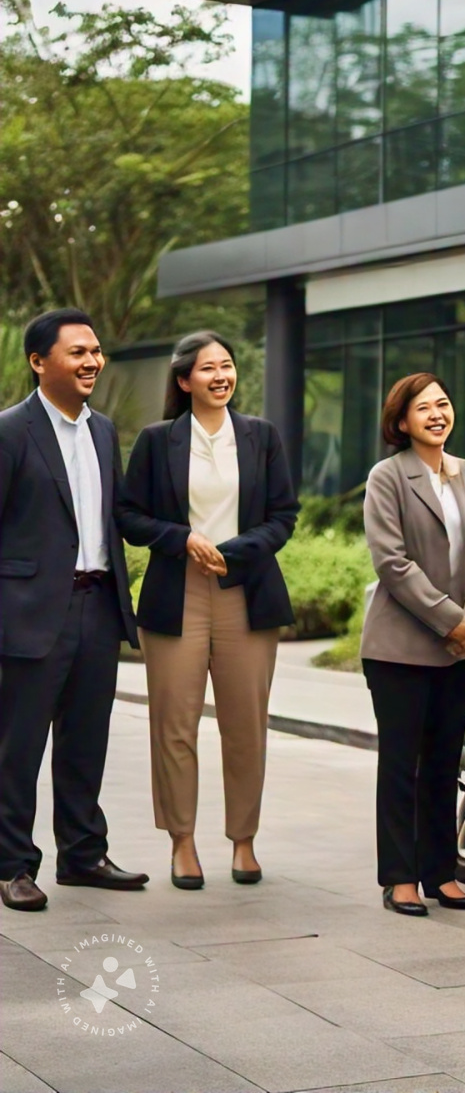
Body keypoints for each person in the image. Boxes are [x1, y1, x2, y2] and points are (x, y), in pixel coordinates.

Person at [119, 331, 298, 890]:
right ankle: (182, 841)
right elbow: (129, 515)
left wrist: (234, 550)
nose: (221, 376)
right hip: (177, 595)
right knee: (174, 726)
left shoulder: (261, 437)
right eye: (207, 369)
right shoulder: (157, 440)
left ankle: (243, 841)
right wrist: (182, 538)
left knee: (247, 725)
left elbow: (283, 515)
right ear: (183, 381)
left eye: (227, 366)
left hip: (246, 592)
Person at [0, 308, 148, 911]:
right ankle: (12, 864)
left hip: (98, 604)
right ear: (40, 362)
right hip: (31, 612)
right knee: (18, 745)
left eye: (96, 351)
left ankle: (83, 854)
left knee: (87, 740)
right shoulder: (10, 431)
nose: (92, 362)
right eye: (77, 352)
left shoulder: (104, 430)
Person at [361, 372, 465, 917]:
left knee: (446, 761)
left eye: (443, 404)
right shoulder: (387, 477)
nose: (438, 414)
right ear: (402, 421)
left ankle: (442, 873)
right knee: (402, 763)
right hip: (399, 646)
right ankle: (399, 879)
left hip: (461, 644)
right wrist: (449, 618)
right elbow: (392, 561)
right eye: (424, 408)